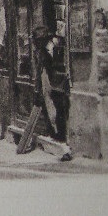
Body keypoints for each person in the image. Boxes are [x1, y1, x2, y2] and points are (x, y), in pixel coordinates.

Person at [33, 27, 73, 161]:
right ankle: (57, 134)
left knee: (61, 108)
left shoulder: (56, 44)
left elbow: (62, 63)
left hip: (61, 80)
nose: (38, 43)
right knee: (53, 108)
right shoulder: (41, 51)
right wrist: (37, 86)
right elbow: (40, 69)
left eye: (39, 40)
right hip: (51, 81)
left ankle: (62, 135)